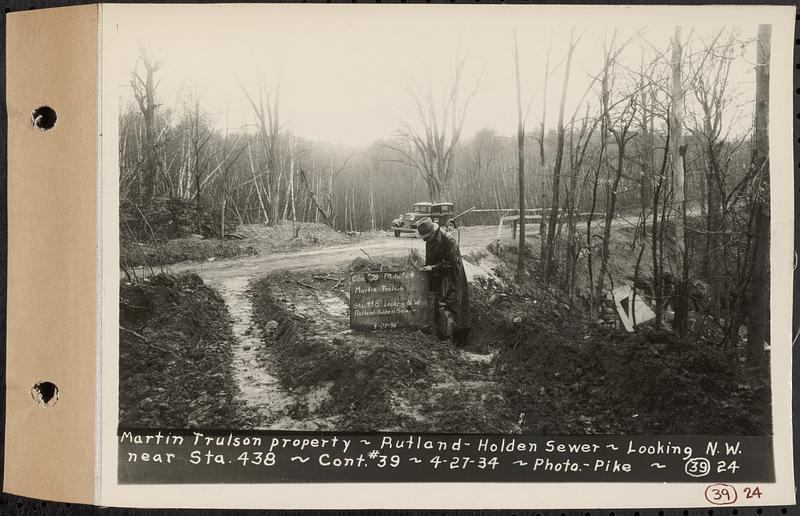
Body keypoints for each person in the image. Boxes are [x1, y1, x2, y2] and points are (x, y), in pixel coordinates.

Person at [417, 217, 471, 347]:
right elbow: (429, 261)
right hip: (439, 277)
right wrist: (427, 272)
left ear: (433, 232)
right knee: (438, 308)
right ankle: (442, 337)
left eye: (426, 236)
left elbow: (452, 264)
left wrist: (434, 267)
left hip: (452, 278)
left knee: (450, 307)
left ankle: (453, 341)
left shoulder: (449, 240)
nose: (424, 239)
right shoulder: (429, 241)